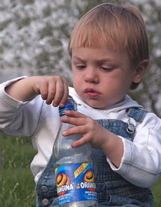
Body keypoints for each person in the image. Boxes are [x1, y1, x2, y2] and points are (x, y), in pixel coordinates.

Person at [0, 2, 161, 207]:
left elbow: (151, 173)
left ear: (137, 71)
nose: (90, 76)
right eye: (80, 65)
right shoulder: (52, 105)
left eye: (105, 67)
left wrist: (106, 140)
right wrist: (29, 85)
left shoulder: (143, 122)